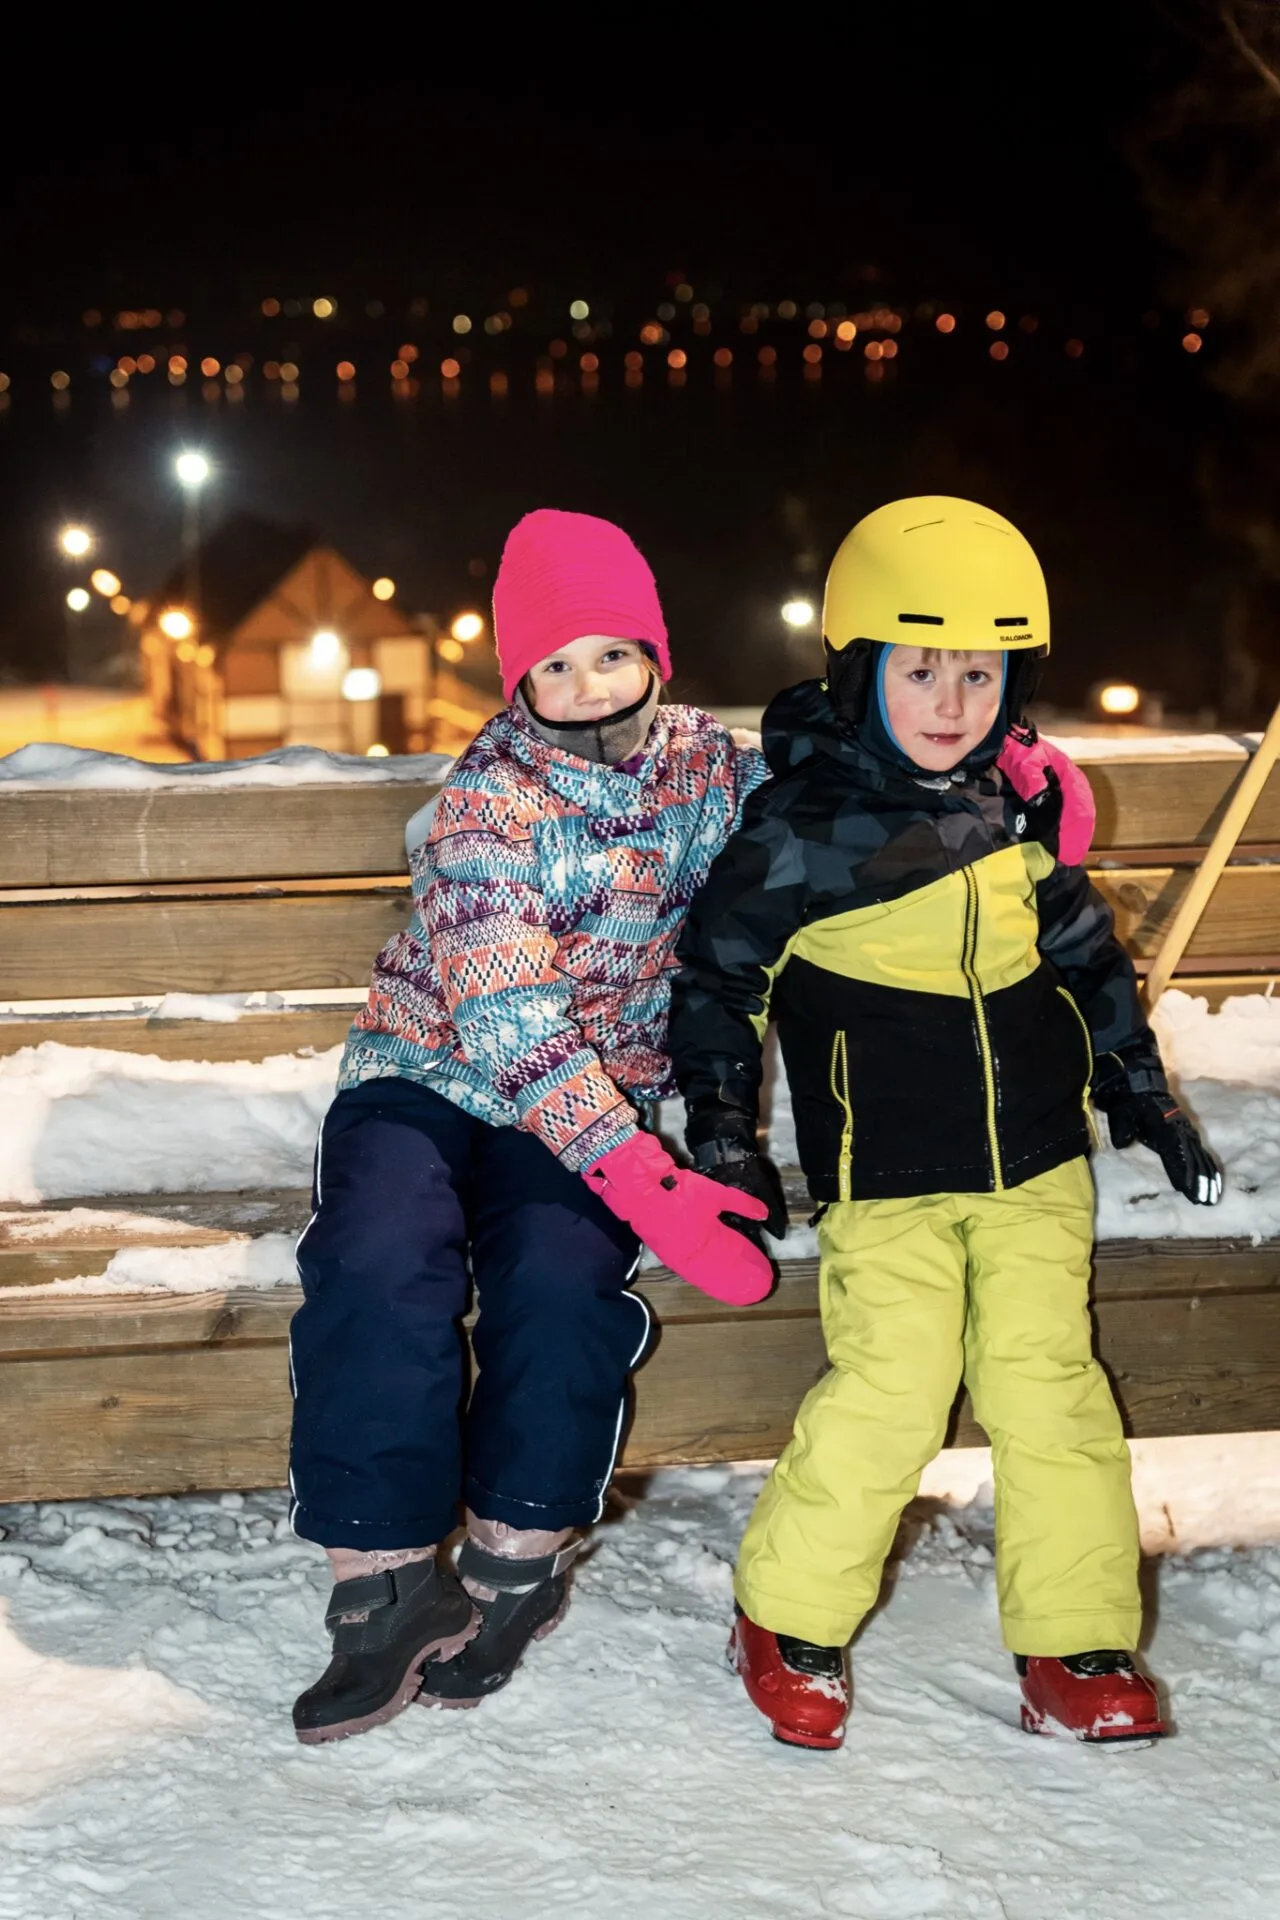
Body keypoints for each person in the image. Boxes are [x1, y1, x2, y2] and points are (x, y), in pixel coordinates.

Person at [668, 495, 1222, 1751]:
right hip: (887, 1169)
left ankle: (1075, 1639)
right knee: (894, 1386)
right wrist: (722, 1132)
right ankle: (785, 1614)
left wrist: (1137, 1092)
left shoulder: (1015, 807)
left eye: (978, 673)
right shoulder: (800, 830)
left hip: (1034, 1161)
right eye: (918, 670)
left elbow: (1084, 960)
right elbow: (717, 984)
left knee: (1051, 1390)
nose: (950, 701)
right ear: (858, 667)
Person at [287, 508, 775, 1745]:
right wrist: (641, 1175)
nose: (587, 685)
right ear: (516, 681)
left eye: (610, 653)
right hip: (430, 1070)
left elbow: (838, 797)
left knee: (559, 1276)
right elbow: (507, 1019)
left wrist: (1005, 774)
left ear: (655, 652)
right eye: (554, 665)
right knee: (376, 1253)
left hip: (590, 1100)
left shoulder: (711, 770)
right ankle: (382, 1575)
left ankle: (517, 1552)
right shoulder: (485, 804)